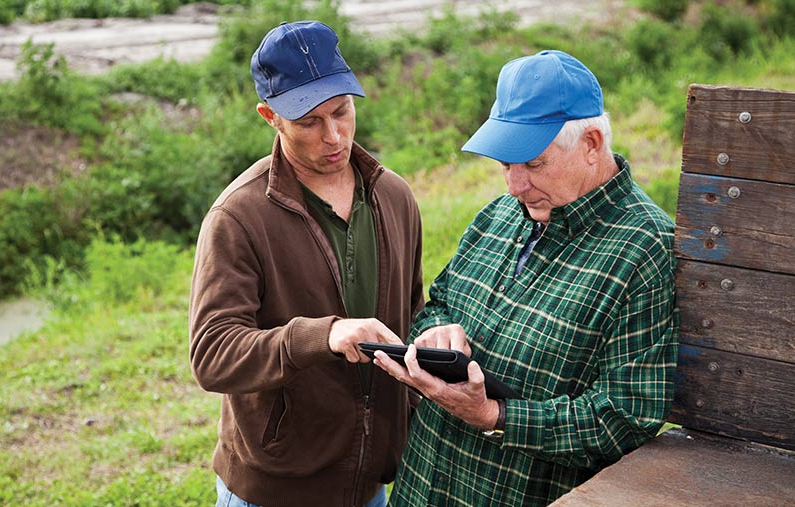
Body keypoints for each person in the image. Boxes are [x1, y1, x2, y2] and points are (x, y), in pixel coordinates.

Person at [371, 50, 679, 506]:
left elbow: (626, 417)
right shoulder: (499, 214)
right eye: (505, 163)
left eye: (533, 163)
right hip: (422, 489)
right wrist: (434, 332)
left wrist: (495, 416)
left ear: (592, 143)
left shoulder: (646, 251)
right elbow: (437, 306)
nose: (514, 185)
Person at [188, 20, 424, 507]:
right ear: (269, 116)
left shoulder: (396, 196)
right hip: (273, 490)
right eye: (308, 122)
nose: (333, 136)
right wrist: (324, 335)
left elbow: (412, 312)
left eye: (342, 111)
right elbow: (213, 355)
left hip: (372, 486)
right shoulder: (236, 216)